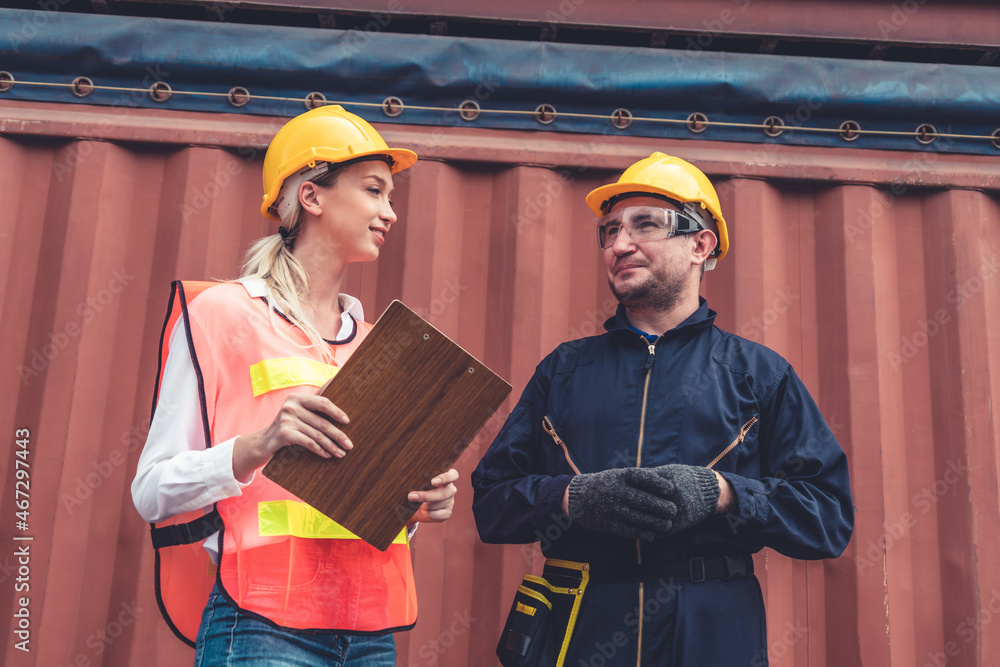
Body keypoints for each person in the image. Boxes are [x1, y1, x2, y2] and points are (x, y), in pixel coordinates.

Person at [471, 153, 854, 666]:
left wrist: (723, 493)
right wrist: (572, 497)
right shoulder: (563, 371)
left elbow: (827, 518)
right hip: (583, 629)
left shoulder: (759, 374)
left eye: (644, 224)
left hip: (712, 632)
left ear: (701, 243)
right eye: (608, 231)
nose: (619, 244)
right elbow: (491, 505)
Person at [131, 105, 459, 666]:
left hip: (370, 634)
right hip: (261, 625)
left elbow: (359, 507)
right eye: (375, 191)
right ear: (312, 196)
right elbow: (151, 491)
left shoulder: (375, 344)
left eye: (391, 197)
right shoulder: (222, 314)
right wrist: (260, 444)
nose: (390, 213)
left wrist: (417, 504)